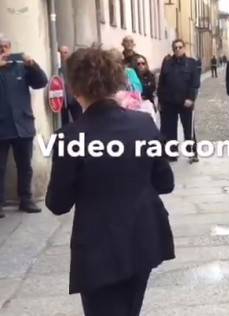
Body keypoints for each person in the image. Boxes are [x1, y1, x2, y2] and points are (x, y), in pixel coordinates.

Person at [45, 46, 175, 316]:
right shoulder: (143, 124)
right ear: (117, 81)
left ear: (74, 87)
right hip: (144, 236)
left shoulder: (69, 137)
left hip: (98, 247)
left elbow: (58, 203)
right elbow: (165, 183)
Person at [0, 34, 48, 218]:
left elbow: (41, 82)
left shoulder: (20, 66)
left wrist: (33, 65)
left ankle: (26, 199)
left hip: (22, 124)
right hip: (2, 126)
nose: (2, 50)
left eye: (5, 46)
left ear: (10, 47)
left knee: (25, 166)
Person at [157, 39, 202, 163]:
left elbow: (195, 83)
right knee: (169, 129)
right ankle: (171, 153)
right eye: (175, 47)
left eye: (180, 47)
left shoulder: (191, 63)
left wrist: (191, 98)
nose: (177, 49)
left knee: (188, 129)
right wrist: (160, 101)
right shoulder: (167, 63)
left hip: (185, 102)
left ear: (184, 48)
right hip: (169, 102)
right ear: (173, 49)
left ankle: (192, 152)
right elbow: (161, 83)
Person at [59, 45, 83, 125]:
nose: (63, 55)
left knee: (79, 121)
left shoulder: (73, 65)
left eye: (65, 52)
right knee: (64, 123)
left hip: (74, 98)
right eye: (61, 53)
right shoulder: (57, 66)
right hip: (63, 99)